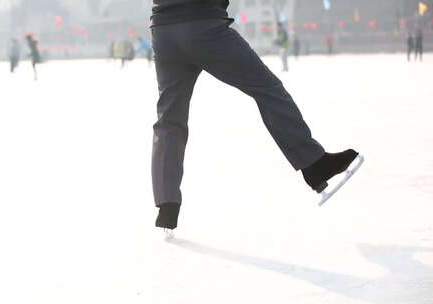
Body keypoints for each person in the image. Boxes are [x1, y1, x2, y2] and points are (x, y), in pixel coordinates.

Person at [150, 0, 362, 234]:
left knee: (169, 119)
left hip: (163, 29)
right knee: (267, 89)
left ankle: (166, 204)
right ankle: (313, 164)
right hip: (203, 24)